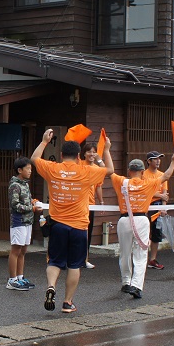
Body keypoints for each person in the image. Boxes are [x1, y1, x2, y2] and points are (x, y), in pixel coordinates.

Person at [31, 128, 112, 314]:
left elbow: (34, 160)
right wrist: (105, 150)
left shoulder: (53, 168)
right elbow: (110, 170)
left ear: (61, 155)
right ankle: (67, 303)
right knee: (75, 264)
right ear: (78, 156)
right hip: (79, 226)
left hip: (58, 225)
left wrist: (44, 142)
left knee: (54, 261)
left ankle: (51, 286)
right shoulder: (86, 170)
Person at [111, 156, 164, 299]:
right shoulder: (148, 183)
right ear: (142, 171)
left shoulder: (121, 181)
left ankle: (125, 282)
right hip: (141, 219)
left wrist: (107, 151)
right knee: (140, 254)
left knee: (125, 252)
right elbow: (167, 175)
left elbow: (110, 171)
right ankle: (136, 286)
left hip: (124, 219)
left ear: (129, 171)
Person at [6, 157, 39, 291]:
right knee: (16, 250)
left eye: (31, 169)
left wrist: (33, 203)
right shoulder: (15, 185)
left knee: (23, 250)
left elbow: (25, 201)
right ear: (20, 170)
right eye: (28, 169)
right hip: (18, 221)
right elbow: (15, 205)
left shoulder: (25, 183)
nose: (30, 171)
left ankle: (20, 277)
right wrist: (31, 208)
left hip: (27, 221)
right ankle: (12, 280)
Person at [144, 150, 174, 270]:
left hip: (158, 206)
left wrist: (164, 207)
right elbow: (145, 190)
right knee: (144, 232)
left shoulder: (161, 174)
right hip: (146, 206)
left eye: (159, 158)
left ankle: (152, 259)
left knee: (156, 233)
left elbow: (165, 192)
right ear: (149, 161)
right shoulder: (144, 175)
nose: (158, 161)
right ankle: (142, 258)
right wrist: (160, 196)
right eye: (155, 159)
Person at [82, 141, 104, 269]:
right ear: (84, 153)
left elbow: (98, 187)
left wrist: (101, 202)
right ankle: (75, 258)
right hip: (79, 204)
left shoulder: (97, 169)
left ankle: (85, 259)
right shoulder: (80, 165)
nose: (91, 154)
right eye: (89, 151)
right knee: (78, 232)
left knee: (88, 232)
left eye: (93, 151)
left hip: (91, 204)